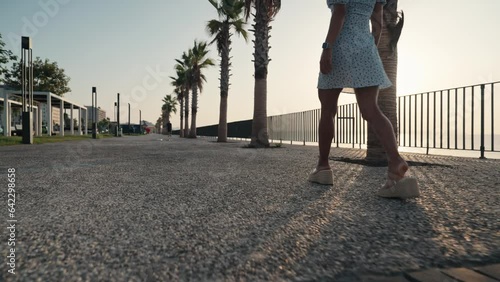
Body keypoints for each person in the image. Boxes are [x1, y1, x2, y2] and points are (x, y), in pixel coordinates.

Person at [308, 0, 419, 199]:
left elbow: (339, 12)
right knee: (372, 110)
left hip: (340, 47)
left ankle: (323, 167)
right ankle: (395, 163)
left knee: (327, 109)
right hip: (367, 49)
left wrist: (327, 47)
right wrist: (369, 50)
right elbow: (377, 24)